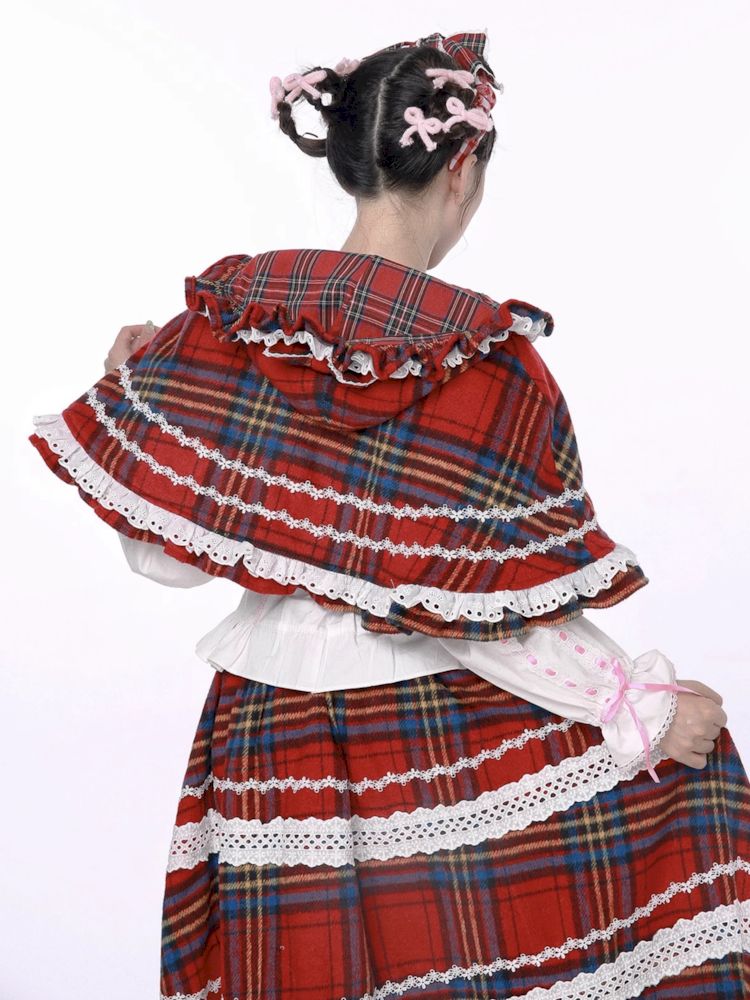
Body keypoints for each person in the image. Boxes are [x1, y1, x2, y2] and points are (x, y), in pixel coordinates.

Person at [28, 29, 750, 1000]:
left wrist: (140, 403)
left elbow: (168, 561)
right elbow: (500, 610)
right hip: (436, 733)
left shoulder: (230, 321)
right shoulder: (491, 363)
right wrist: (644, 710)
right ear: (462, 167)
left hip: (267, 740)